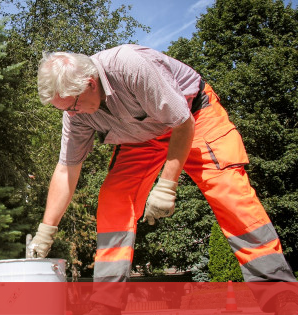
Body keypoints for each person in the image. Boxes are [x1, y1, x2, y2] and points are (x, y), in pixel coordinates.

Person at [27, 44, 298, 315]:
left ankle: (279, 293)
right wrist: (46, 231)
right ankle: (106, 303)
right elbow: (66, 169)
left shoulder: (131, 66)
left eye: (73, 105)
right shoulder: (75, 115)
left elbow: (183, 124)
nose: (72, 115)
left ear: (90, 83)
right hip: (139, 139)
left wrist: (167, 185)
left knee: (229, 191)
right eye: (64, 110)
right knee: (114, 201)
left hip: (193, 117)